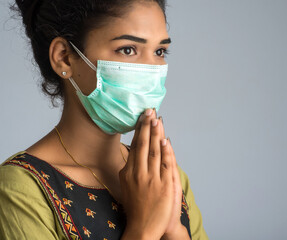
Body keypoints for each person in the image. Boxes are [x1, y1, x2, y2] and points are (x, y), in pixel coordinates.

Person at [0, 0, 209, 239]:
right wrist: (145, 229)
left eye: (159, 51)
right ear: (64, 57)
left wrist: (174, 230)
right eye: (128, 49)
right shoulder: (22, 190)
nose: (152, 70)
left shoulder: (167, 177)